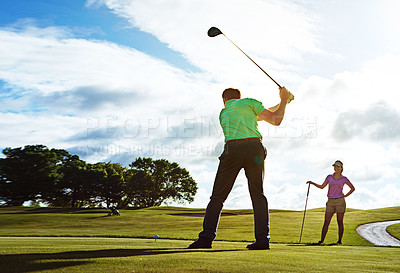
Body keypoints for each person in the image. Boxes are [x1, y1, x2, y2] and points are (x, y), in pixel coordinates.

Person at [188, 86, 292, 250]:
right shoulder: (250, 103)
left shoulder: (224, 113)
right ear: (240, 97)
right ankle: (262, 240)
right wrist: (284, 100)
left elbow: (263, 115)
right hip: (254, 149)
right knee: (257, 195)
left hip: (232, 151)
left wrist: (283, 101)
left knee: (217, 197)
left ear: (224, 100)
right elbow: (274, 119)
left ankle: (206, 239)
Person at [307, 160, 355, 244]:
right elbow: (322, 186)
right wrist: (312, 183)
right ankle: (321, 241)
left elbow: (352, 188)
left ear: (341, 168)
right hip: (330, 202)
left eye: (338, 166)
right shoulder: (329, 177)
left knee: (339, 221)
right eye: (335, 166)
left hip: (340, 201)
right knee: (326, 221)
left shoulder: (344, 179)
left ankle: (339, 241)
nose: (336, 168)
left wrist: (345, 195)